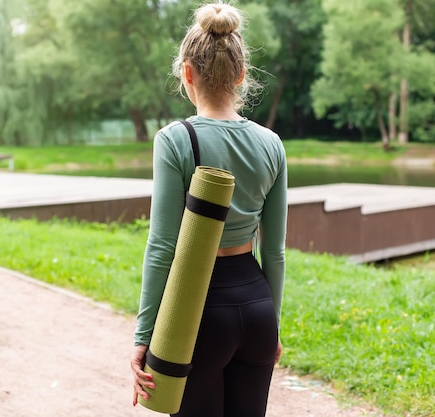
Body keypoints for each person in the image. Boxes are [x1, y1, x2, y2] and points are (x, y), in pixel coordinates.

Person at [130, 2, 287, 416]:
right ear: (240, 75)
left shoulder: (174, 140)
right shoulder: (272, 144)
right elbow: (274, 252)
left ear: (187, 73)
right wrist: (273, 325)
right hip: (256, 307)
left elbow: (163, 246)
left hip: (196, 314)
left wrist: (144, 335)